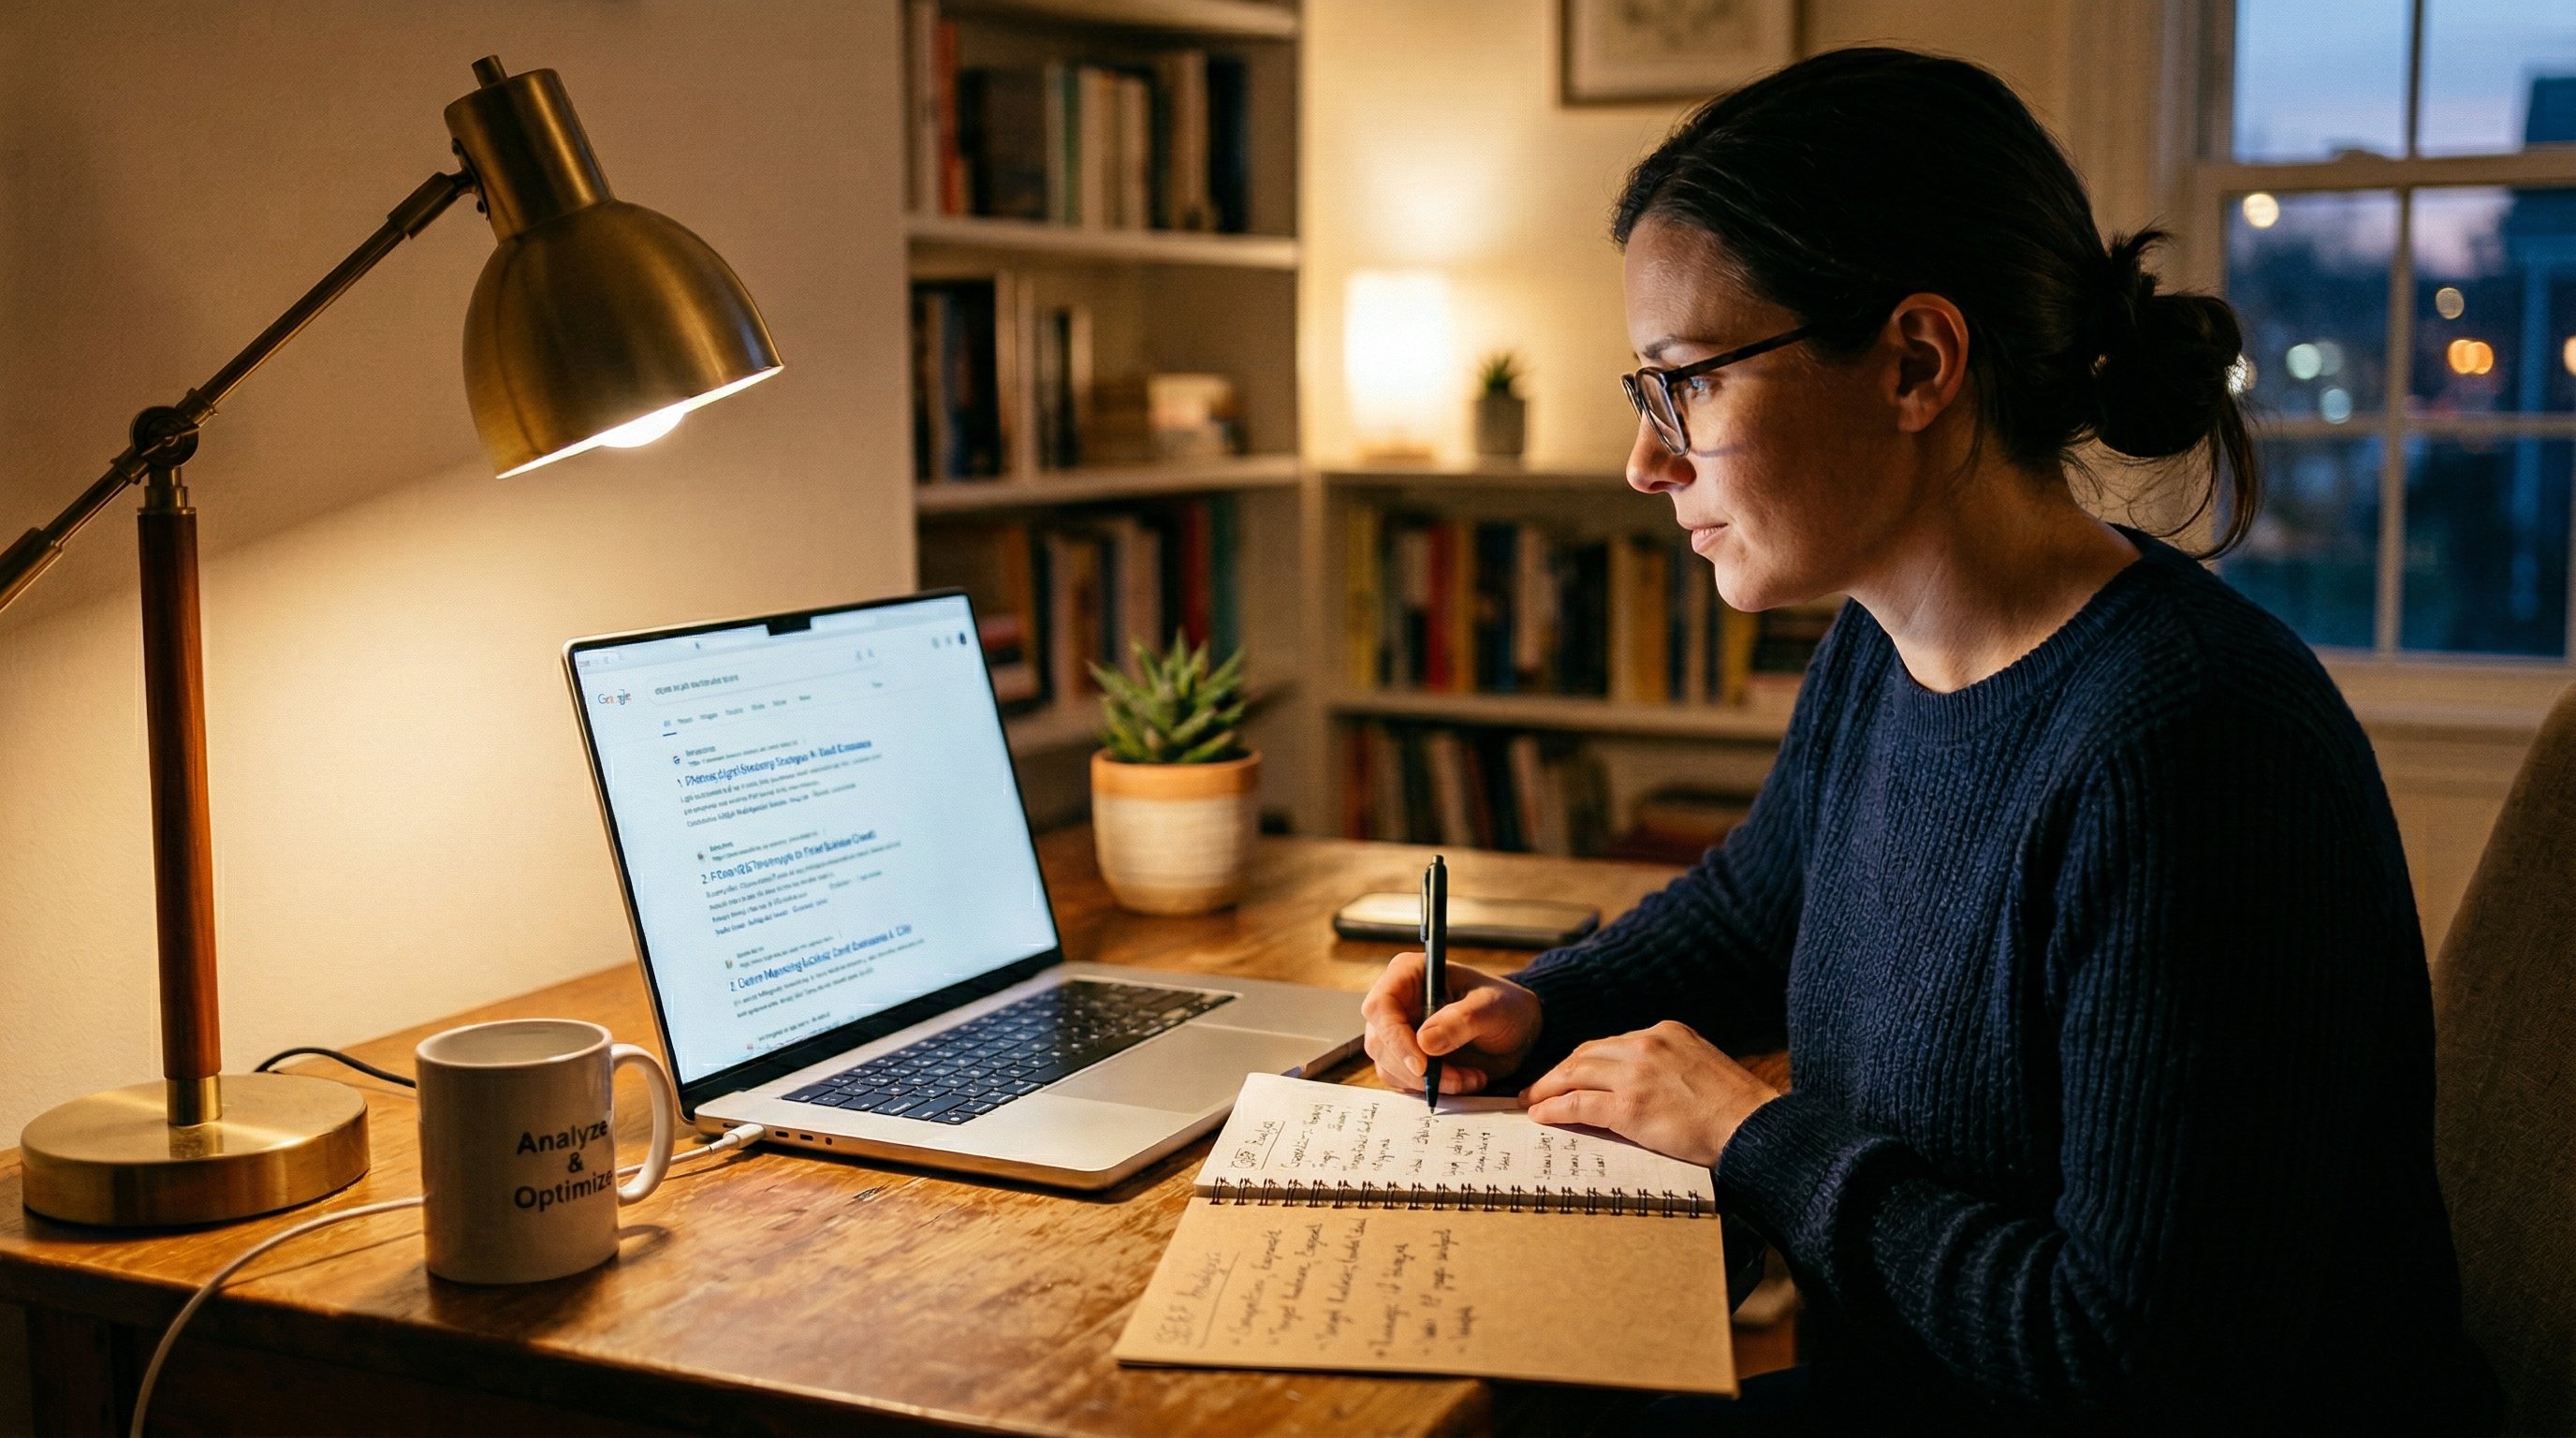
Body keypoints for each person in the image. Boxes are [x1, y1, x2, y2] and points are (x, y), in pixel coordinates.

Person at [1361, 47, 2497, 1436]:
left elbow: (2133, 1355)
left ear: (1915, 363)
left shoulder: (2195, 746)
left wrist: (1751, 1135)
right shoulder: (1880, 646)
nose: (1647, 463)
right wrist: (1538, 1005)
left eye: (1687, 385)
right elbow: (1759, 907)